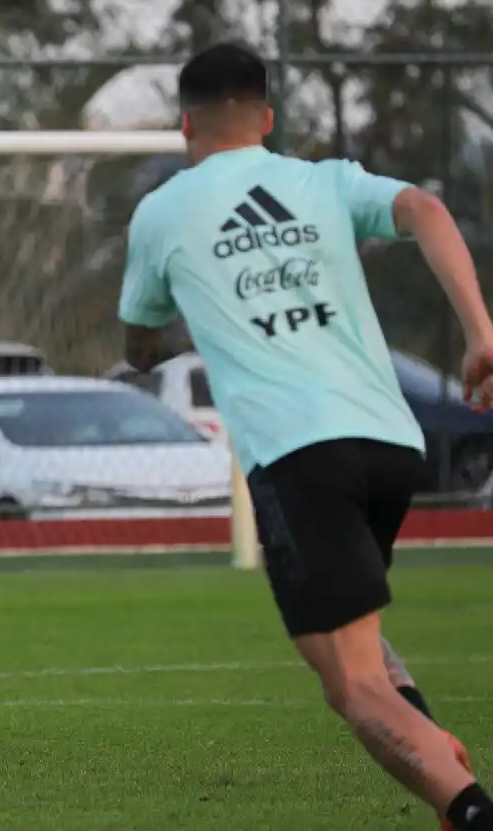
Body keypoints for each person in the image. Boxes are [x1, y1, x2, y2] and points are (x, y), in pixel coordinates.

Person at [117, 41, 493, 831]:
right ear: (269, 118)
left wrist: (167, 339)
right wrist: (481, 332)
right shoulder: (323, 181)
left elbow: (139, 343)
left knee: (353, 687)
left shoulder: (162, 213)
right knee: (350, 661)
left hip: (298, 455)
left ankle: (469, 808)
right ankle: (430, 741)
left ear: (184, 124)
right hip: (391, 445)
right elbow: (426, 208)